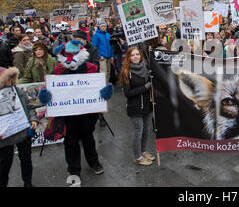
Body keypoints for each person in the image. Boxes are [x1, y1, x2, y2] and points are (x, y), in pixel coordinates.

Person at [38, 40, 113, 186]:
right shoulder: (59, 70)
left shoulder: (91, 67)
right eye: (67, 55)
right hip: (68, 114)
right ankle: (74, 170)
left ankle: (94, 162)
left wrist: (105, 92)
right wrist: (46, 95)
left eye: (74, 54)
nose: (71, 59)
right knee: (70, 142)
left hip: (87, 113)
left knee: (88, 138)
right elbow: (53, 89)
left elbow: (97, 86)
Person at [0, 67, 38, 187]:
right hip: (5, 137)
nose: (10, 80)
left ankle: (28, 183)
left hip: (23, 132)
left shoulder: (18, 91)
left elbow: (30, 107)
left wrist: (33, 119)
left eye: (11, 77)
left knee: (26, 160)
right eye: (7, 78)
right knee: (4, 165)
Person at [120, 47, 156, 166]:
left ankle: (143, 151)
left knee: (146, 131)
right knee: (138, 132)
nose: (136, 57)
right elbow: (128, 93)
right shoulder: (126, 71)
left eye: (137, 54)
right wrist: (145, 87)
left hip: (147, 105)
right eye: (133, 55)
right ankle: (137, 157)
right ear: (129, 57)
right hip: (135, 107)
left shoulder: (146, 66)